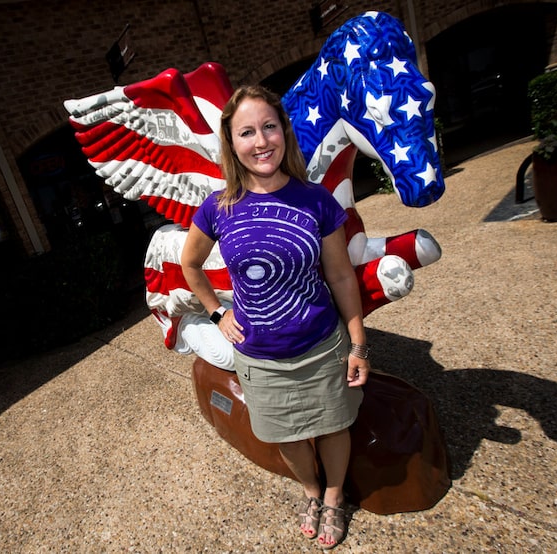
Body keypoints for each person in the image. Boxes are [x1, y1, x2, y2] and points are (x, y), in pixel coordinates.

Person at [180, 84, 371, 550]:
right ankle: (310, 491)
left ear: (284, 132)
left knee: (332, 426)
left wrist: (359, 343)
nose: (261, 141)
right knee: (285, 437)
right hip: (260, 357)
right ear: (232, 143)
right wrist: (217, 312)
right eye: (247, 132)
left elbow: (343, 278)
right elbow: (189, 264)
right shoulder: (219, 207)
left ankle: (333, 496)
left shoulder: (316, 200)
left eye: (269, 127)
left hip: (323, 346)